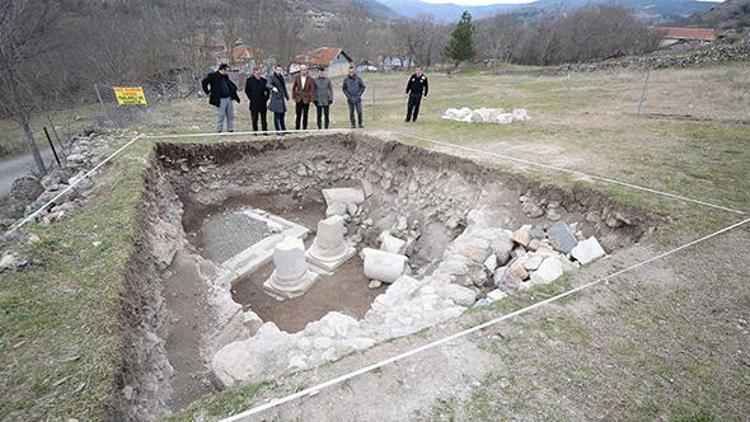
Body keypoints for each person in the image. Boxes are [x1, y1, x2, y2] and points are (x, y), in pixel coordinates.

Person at [201, 63, 240, 133]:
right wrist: (207, 92)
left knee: (230, 115)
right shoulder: (213, 76)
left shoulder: (226, 77)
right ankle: (219, 130)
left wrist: (235, 94)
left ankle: (230, 129)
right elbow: (204, 82)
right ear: (222, 69)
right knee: (221, 115)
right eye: (226, 70)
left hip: (229, 98)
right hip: (220, 99)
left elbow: (231, 86)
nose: (227, 72)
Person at [244, 66, 270, 132]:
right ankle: (255, 130)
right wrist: (251, 98)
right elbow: (247, 90)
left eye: (259, 72)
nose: (258, 73)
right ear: (254, 72)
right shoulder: (249, 80)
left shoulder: (264, 80)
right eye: (256, 72)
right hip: (254, 103)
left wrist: (266, 98)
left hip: (263, 103)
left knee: (263, 118)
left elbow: (268, 91)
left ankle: (264, 130)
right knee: (254, 118)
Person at [292, 64, 316, 130]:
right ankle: (297, 129)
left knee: (305, 115)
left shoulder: (310, 79)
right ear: (300, 71)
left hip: (306, 100)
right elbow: (293, 88)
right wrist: (294, 97)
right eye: (302, 70)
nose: (303, 71)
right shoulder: (297, 78)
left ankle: (304, 128)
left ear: (306, 71)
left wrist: (311, 100)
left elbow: (312, 90)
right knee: (298, 115)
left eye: (304, 70)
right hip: (298, 99)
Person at [266, 65, 289, 133]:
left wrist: (286, 96)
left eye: (280, 70)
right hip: (276, 99)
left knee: (282, 114)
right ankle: (278, 130)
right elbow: (267, 84)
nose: (279, 71)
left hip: (281, 98)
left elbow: (283, 87)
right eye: (278, 70)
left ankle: (283, 129)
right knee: (277, 115)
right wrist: (272, 88)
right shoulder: (271, 77)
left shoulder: (281, 77)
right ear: (275, 70)